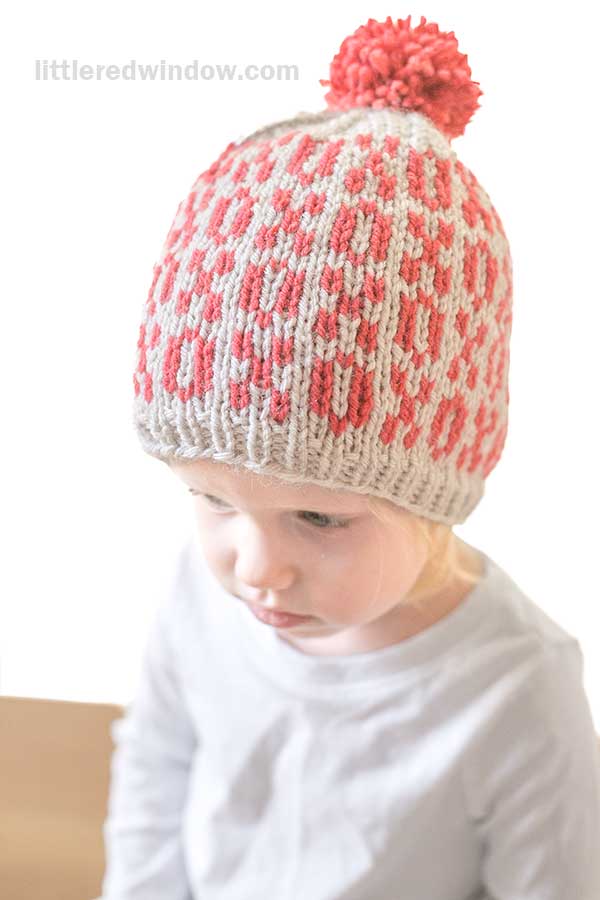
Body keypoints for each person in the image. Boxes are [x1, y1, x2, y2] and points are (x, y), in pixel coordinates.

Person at [100, 14, 600, 899]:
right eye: (210, 498)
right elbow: (155, 775)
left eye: (320, 516)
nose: (257, 570)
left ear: (435, 491)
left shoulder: (518, 688)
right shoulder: (197, 592)